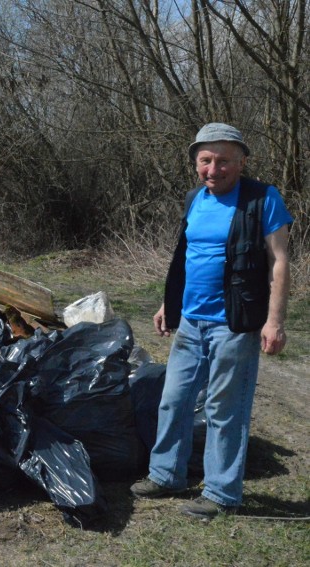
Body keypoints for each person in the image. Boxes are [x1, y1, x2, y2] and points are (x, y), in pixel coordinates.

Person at [131, 123, 293, 519]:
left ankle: (222, 494)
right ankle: (167, 474)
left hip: (234, 324)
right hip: (190, 321)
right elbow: (188, 257)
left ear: (240, 162)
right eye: (205, 160)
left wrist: (274, 321)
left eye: (223, 161)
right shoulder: (194, 199)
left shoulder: (262, 199)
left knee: (225, 409)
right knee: (173, 401)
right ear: (196, 164)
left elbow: (280, 262)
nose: (213, 169)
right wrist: (168, 304)